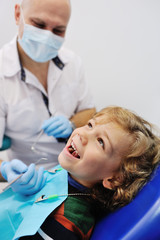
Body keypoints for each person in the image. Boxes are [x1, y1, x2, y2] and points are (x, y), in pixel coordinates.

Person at [0, 106, 160, 240]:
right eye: (90, 125)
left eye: (101, 142)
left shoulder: (68, 221)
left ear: (114, 180)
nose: (81, 134)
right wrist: (7, 170)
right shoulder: (70, 174)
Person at [0, 0, 96, 178]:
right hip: (30, 176)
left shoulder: (72, 63)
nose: (47, 37)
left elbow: (90, 112)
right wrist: (6, 170)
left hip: (77, 172)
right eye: (39, 24)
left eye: (58, 30)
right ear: (18, 14)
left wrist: (72, 124)